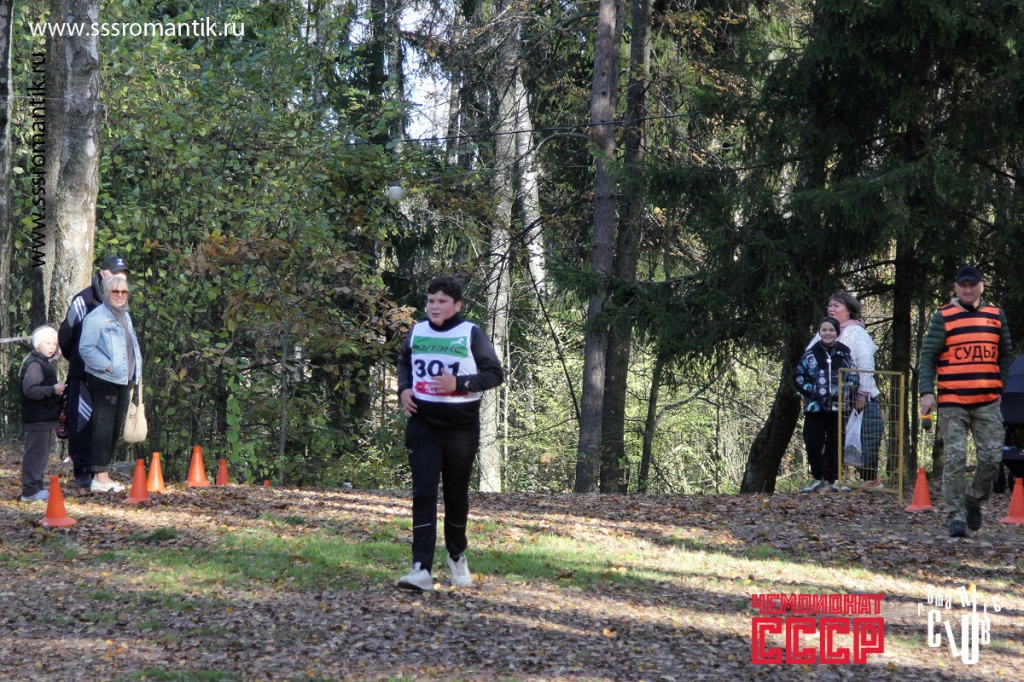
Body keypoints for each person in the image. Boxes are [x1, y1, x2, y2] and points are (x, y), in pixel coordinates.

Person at [395, 276, 504, 591]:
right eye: (431, 301)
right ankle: (421, 568)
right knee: (423, 493)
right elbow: (404, 362)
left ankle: (456, 555)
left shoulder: (470, 332)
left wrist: (459, 384)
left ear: (457, 305)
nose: (434, 307)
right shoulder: (417, 331)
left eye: (442, 301)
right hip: (423, 424)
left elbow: (495, 374)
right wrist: (404, 389)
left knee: (456, 495)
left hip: (460, 427)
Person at [919, 265, 1013, 538]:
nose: (968, 290)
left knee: (992, 458)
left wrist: (1000, 384)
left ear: (981, 286)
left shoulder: (996, 315)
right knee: (955, 459)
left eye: (973, 285)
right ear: (956, 288)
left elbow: (1005, 353)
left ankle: (973, 499)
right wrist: (927, 392)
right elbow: (928, 357)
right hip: (953, 401)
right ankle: (955, 517)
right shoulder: (943, 316)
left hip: (987, 400)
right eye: (964, 285)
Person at [58, 255, 130, 489]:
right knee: (82, 421)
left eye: (123, 274)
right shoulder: (83, 300)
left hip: (113, 379)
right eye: (115, 273)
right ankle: (82, 472)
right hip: (84, 375)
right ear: (103, 273)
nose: (120, 278)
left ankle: (101, 472)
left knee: (108, 425)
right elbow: (66, 334)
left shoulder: (121, 303)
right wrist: (78, 362)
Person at [808, 292, 885, 486]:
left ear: (849, 311)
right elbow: (808, 361)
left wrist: (863, 393)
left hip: (857, 396)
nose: (831, 309)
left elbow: (865, 364)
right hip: (828, 399)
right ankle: (827, 480)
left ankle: (870, 480)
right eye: (830, 305)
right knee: (828, 440)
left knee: (867, 437)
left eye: (837, 306)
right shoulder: (823, 332)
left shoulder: (856, 333)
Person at [78, 275, 142, 493]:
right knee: (103, 426)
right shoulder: (95, 317)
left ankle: (103, 475)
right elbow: (86, 348)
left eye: (124, 292)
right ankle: (99, 477)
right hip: (104, 380)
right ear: (106, 294)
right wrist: (107, 366)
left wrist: (135, 373)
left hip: (124, 379)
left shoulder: (125, 316)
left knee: (115, 428)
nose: (120, 295)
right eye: (115, 291)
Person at [795, 316, 857, 493]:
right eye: (824, 330)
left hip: (838, 408)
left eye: (831, 330)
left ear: (837, 332)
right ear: (819, 332)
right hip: (814, 408)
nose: (827, 333)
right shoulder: (810, 354)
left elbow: (853, 376)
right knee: (812, 442)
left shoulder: (844, 353)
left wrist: (844, 391)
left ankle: (832, 480)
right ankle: (817, 478)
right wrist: (813, 391)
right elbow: (798, 376)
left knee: (836, 443)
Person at [18, 326, 66, 502]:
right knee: (35, 454)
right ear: (38, 344)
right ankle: (30, 491)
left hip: (44, 417)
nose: (52, 347)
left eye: (54, 343)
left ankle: (37, 488)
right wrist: (53, 390)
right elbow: (30, 390)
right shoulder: (35, 364)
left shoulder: (42, 362)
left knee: (42, 455)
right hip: (37, 417)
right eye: (48, 343)